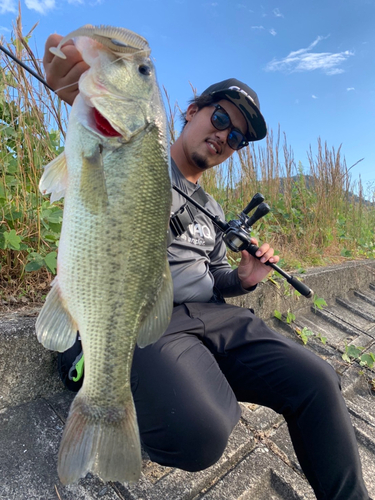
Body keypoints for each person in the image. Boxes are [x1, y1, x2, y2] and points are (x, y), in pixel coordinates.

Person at [43, 35, 369, 500]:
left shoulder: (211, 206)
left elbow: (213, 275)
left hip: (217, 317)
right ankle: (121, 407)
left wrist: (242, 278)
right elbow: (97, 124)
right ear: (192, 110)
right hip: (151, 319)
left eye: (235, 138)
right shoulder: (138, 153)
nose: (223, 136)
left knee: (319, 381)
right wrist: (77, 86)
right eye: (220, 118)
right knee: (204, 432)